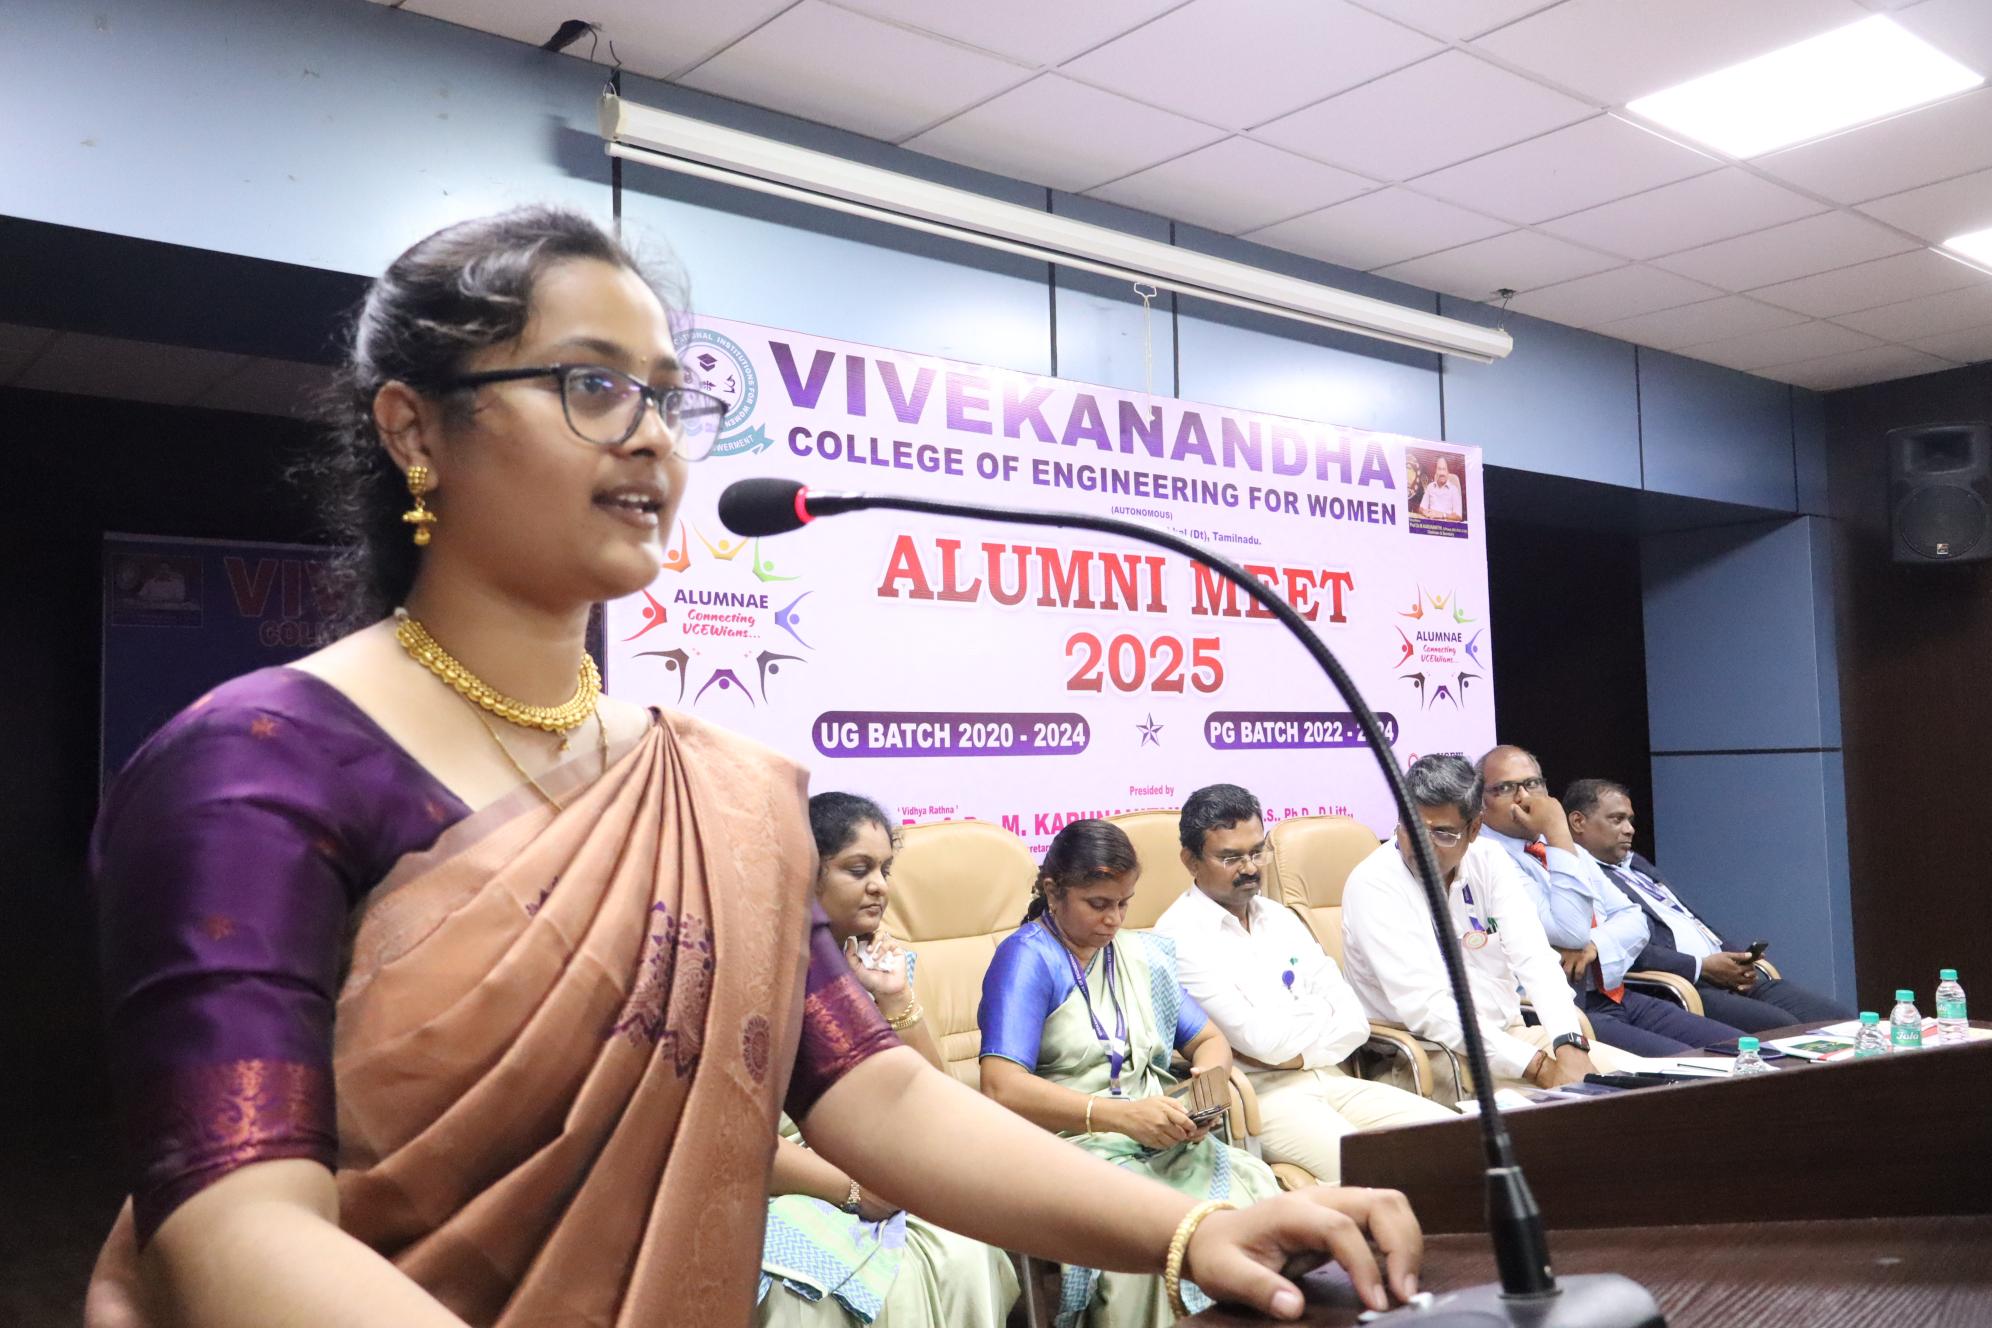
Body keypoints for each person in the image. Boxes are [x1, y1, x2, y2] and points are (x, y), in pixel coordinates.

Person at [84, 207, 1424, 1328]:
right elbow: (233, 1223)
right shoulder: (259, 769)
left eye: (670, 398)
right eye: (592, 384)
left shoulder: (720, 793)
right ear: (414, 428)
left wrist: (1187, 1232)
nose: (654, 438)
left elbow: (874, 1093)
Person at [980, 819, 1286, 1327]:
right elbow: (1000, 1086)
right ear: (1053, 892)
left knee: (1250, 1198)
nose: (1114, 920)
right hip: (1072, 1148)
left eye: (1124, 903)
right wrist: (1120, 1117)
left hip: (1161, 1136)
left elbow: (1209, 1040)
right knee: (1160, 1242)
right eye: (1098, 904)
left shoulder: (1140, 955)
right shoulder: (1027, 958)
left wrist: (1203, 1098)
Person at [759, 792, 1018, 1328]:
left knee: (965, 1251)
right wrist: (855, 1192)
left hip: (884, 1164)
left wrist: (894, 998)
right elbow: (736, 1142)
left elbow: (939, 1101)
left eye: (885, 869)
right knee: (802, 1291)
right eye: (859, 870)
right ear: (806, 872)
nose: (880, 885)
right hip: (783, 1182)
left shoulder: (880, 964)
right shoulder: (754, 976)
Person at [1152, 785, 1451, 1182]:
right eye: (1231, 857)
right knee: (1377, 1171)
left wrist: (1296, 1049)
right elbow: (1262, 1041)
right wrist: (1315, 1018)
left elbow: (1353, 1021)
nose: (1250, 868)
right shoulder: (1178, 935)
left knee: (1453, 1140)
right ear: (1190, 861)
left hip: (1334, 1078)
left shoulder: (1278, 916)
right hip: (1264, 1096)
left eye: (1257, 851)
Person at [1341, 755, 1648, 1099]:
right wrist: (1541, 1068)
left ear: (1474, 829)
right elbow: (1428, 1009)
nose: (1423, 846)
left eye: (1442, 833)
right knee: (1560, 1113)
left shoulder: (1490, 859)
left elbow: (1535, 958)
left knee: (1640, 1087)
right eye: (1411, 827)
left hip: (1510, 1036)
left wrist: (1570, 1045)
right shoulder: (1374, 883)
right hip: (1424, 1054)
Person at [1475, 746, 1743, 1057]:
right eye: (1505, 788)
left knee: (1742, 1052)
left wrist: (1596, 945)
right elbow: (1569, 932)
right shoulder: (1487, 856)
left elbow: (1634, 917)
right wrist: (1558, 832)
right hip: (1561, 1011)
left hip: (1615, 993)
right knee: (1691, 1068)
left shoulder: (1559, 847)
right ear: (1480, 802)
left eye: (1533, 784)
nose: (1523, 797)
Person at [1565, 780, 1851, 1031]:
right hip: (1682, 985)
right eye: (1616, 820)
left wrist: (1737, 958)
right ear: (1578, 822)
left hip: (1725, 975)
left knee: (1842, 1020)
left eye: (1630, 820)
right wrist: (1701, 967)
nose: (1629, 830)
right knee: (1784, 1028)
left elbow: (1690, 920)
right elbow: (1627, 949)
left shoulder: (1635, 864)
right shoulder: (1578, 876)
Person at [1417, 456, 1462, 521]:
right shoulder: (1430, 487)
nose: (1442, 473)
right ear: (1436, 471)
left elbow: (1458, 516)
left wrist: (1441, 515)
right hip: (1431, 523)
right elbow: (1421, 508)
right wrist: (1425, 512)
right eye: (1439, 469)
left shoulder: (1454, 490)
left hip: (1446, 525)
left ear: (1448, 472)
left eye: (1444, 469)